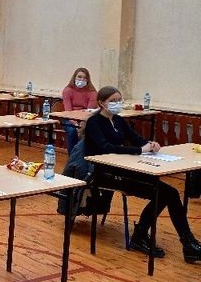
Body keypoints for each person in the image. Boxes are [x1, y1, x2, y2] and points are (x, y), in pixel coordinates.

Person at [84, 86, 201, 262]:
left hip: (125, 168)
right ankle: (144, 236)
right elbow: (105, 148)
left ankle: (187, 243)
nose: (117, 104)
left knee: (169, 193)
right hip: (106, 173)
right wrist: (139, 150)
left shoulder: (119, 120)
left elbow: (136, 139)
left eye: (119, 100)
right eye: (112, 101)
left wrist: (150, 145)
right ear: (101, 103)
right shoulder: (94, 123)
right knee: (165, 193)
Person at [61, 67, 98, 153]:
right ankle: (72, 156)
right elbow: (68, 111)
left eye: (85, 78)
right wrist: (76, 124)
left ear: (88, 80)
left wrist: (82, 125)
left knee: (92, 130)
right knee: (72, 131)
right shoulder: (67, 90)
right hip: (70, 119)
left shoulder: (92, 92)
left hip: (85, 119)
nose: (82, 79)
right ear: (74, 77)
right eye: (79, 77)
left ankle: (87, 156)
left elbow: (89, 112)